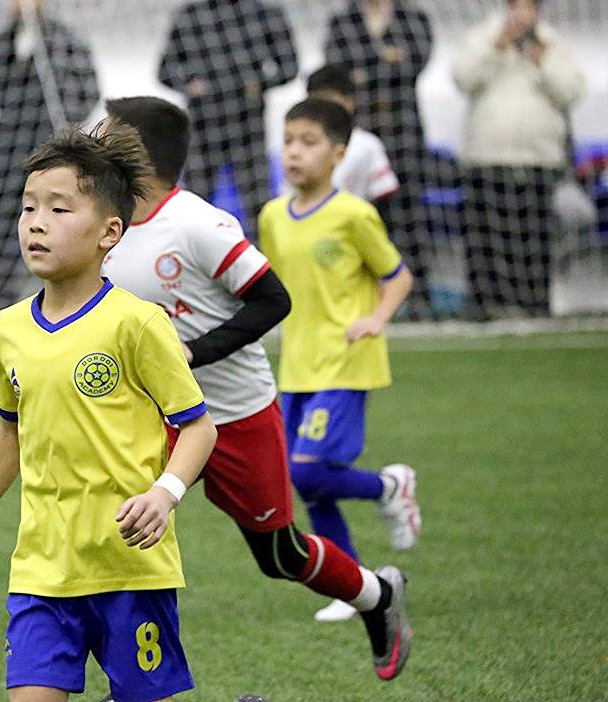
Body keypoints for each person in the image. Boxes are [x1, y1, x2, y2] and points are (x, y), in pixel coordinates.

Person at [102, 96, 414, 675]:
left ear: (138, 154)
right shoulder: (107, 227)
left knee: (279, 554)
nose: (97, 141)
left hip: (236, 416)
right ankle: (137, 679)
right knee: (120, 532)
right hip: (159, 419)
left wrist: (191, 353)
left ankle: (378, 595)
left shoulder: (197, 224)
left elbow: (273, 300)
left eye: (108, 133)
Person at [0, 124, 219, 702]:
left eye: (59, 209)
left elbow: (197, 426)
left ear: (110, 232)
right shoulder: (7, 328)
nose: (36, 223)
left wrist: (164, 494)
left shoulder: (137, 323)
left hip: (129, 568)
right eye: (28, 207)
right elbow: (10, 433)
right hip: (41, 570)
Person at [258, 99, 421, 625]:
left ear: (338, 153)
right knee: (304, 482)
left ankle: (389, 487)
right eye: (288, 141)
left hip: (346, 360)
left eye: (308, 142)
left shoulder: (354, 214)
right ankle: (354, 587)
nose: (294, 152)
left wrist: (377, 318)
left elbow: (398, 276)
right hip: (297, 364)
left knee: (307, 470)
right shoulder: (272, 216)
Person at [452, 0, 586, 318]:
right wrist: (496, 47)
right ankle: (484, 307)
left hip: (539, 159)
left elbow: (572, 91)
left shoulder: (552, 42)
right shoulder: (484, 36)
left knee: (535, 240)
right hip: (487, 158)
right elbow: (462, 78)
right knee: (485, 238)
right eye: (516, 6)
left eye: (528, 7)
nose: (521, 15)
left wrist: (544, 60)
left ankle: (536, 305)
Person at [0, 0, 99, 316]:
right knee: (6, 223)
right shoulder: (1, 42)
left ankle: (64, 294)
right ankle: (0, 298)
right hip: (11, 150)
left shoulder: (65, 39)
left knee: (60, 220)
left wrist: (65, 123)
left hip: (54, 150)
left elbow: (89, 89)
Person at [324, 0, 433, 318]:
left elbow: (416, 62)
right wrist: (387, 59)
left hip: (404, 136)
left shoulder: (413, 18)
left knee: (410, 217)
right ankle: (359, 295)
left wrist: (365, 68)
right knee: (356, 216)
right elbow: (339, 72)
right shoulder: (342, 21)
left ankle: (418, 298)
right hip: (358, 134)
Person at [157, 0, 298, 237]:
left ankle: (262, 255)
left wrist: (260, 83)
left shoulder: (265, 14)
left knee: (257, 204)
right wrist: (189, 86)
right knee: (196, 203)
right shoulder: (190, 15)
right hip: (203, 128)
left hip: (248, 127)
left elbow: (290, 66)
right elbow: (164, 71)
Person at [306, 64, 399, 203]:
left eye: (328, 100)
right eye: (315, 101)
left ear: (349, 102)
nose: (322, 108)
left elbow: (384, 193)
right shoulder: (303, 143)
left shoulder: (367, 144)